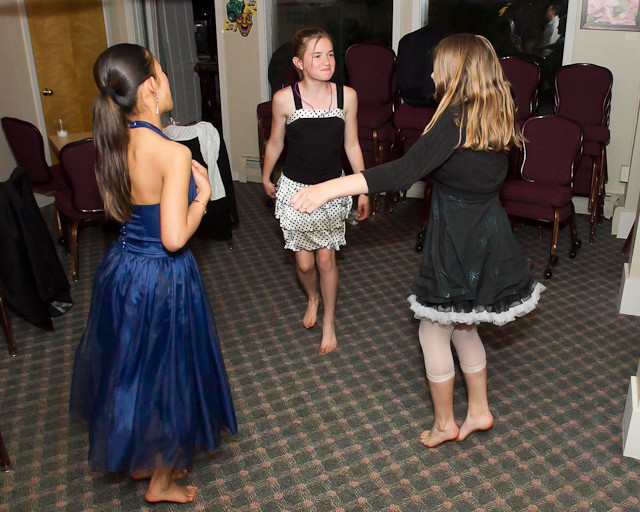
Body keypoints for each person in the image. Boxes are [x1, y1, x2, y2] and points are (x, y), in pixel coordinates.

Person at [291, 34, 545, 447]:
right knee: (463, 325)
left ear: (457, 72)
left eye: (438, 66)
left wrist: (328, 189)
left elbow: (403, 172)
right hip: (487, 233)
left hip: (457, 241)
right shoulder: (496, 111)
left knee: (433, 331)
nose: (430, 73)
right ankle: (478, 411)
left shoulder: (455, 119)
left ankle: (446, 423)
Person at [69, 43, 237, 503]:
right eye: (162, 73)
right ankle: (162, 481)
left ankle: (143, 458)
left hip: (122, 270)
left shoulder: (113, 138)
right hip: (164, 280)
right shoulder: (171, 152)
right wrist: (202, 195)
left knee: (134, 370)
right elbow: (174, 237)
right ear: (149, 88)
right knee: (169, 374)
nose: (167, 81)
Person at [262, 27, 370, 354]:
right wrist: (266, 177)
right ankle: (312, 297)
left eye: (331, 54)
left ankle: (329, 321)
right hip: (295, 191)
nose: (327, 61)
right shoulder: (283, 100)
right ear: (299, 62)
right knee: (305, 265)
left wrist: (363, 187)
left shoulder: (346, 96)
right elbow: (275, 143)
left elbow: (351, 144)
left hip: (333, 190)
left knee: (326, 260)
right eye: (317, 55)